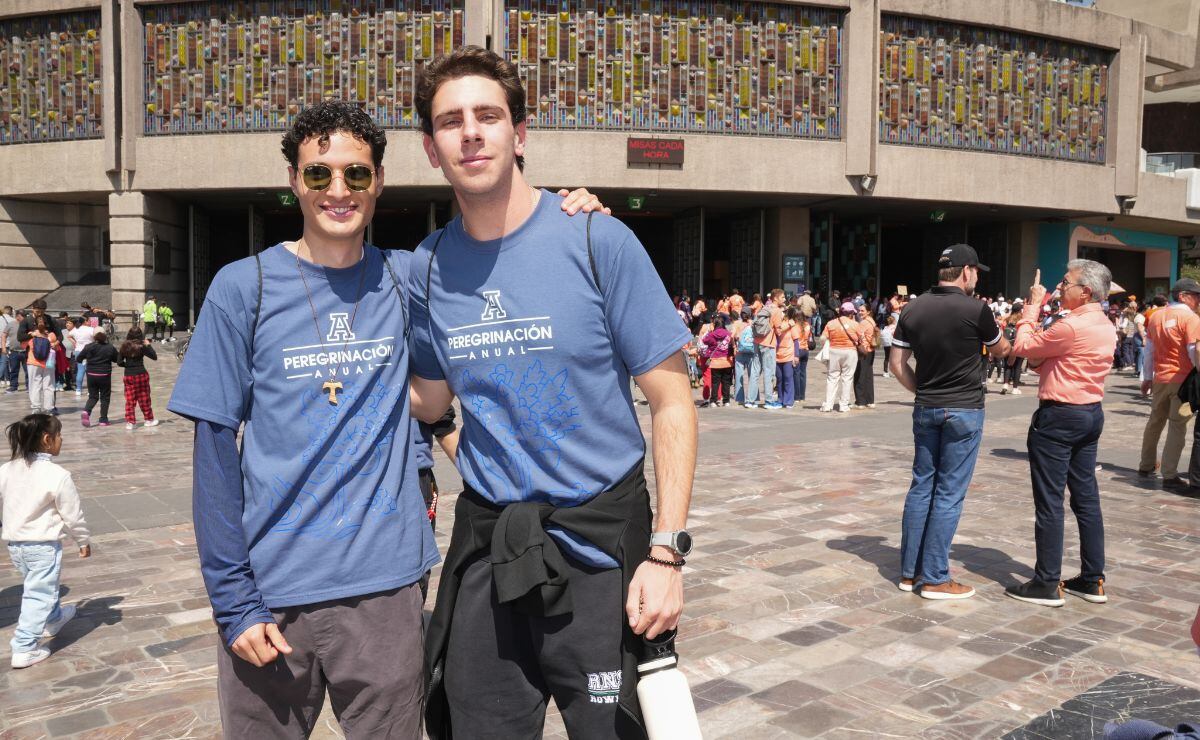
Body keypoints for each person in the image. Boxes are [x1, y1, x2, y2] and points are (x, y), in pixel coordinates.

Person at [166, 97, 605, 736]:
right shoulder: (244, 288)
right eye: (320, 174)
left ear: (378, 184)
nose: (337, 190)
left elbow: (505, 261)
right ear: (295, 181)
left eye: (356, 174)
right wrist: (233, 603)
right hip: (271, 595)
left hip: (387, 594)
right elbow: (213, 456)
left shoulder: (410, 278)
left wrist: (573, 218)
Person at [409, 47, 697, 739]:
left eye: (488, 115)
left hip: (604, 558)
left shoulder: (598, 238)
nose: (471, 132)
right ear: (430, 148)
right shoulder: (426, 269)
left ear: (521, 132)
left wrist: (667, 554)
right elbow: (428, 399)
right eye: (451, 121)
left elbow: (672, 401)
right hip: (490, 552)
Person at [889, 243, 1009, 600]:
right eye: (976, 273)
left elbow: (897, 364)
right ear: (967, 271)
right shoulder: (977, 310)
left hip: (927, 406)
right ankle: (936, 577)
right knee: (948, 493)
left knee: (921, 486)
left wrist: (922, 392)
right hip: (965, 409)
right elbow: (1002, 350)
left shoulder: (912, 308)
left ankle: (910, 573)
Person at [1006, 261, 1116, 607]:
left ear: (1085, 291)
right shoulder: (1103, 323)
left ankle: (1046, 581)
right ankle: (1092, 576)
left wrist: (1032, 307)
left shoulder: (1072, 326)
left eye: (1065, 284)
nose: (1058, 289)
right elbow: (1047, 357)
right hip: (1089, 411)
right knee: (1086, 497)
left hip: (1059, 415)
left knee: (1050, 501)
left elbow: (1022, 347)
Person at [1, 413, 91, 669]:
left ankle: (53, 619)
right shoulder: (57, 475)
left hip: (16, 546)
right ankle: (24, 647)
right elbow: (72, 514)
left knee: (42, 585)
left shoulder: (7, 469)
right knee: (38, 594)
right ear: (47, 439)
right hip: (42, 545)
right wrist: (83, 540)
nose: (62, 440)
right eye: (60, 435)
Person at [1137, 278, 1200, 491]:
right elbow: (1194, 351)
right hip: (1183, 381)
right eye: (1196, 296)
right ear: (1183, 296)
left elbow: (1149, 350)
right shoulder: (1191, 318)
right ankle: (1170, 474)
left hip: (1160, 379)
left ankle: (1146, 465)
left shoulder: (1155, 317)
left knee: (1154, 422)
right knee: (1177, 426)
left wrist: (1146, 377)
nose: (1198, 301)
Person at [820, 301, 861, 413]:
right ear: (851, 313)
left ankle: (828, 405)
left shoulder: (831, 323)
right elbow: (860, 339)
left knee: (832, 378)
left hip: (834, 351)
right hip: (850, 352)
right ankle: (843, 405)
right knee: (847, 378)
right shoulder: (855, 324)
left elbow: (823, 338)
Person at [750, 289, 786, 410]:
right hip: (768, 344)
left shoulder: (764, 308)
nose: (784, 300)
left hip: (757, 342)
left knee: (755, 371)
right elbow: (779, 331)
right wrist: (788, 323)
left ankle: (751, 401)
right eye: (782, 298)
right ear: (776, 298)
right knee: (769, 372)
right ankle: (769, 401)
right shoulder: (776, 311)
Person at [117, 327, 160, 430]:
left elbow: (119, 362)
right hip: (141, 374)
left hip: (129, 375)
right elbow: (154, 357)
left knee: (130, 400)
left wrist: (127, 365)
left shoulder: (124, 346)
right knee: (144, 398)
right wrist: (148, 345)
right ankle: (148, 420)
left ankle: (130, 422)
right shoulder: (142, 346)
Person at [76, 331, 118, 428]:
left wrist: (86, 359)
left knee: (93, 396)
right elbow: (116, 359)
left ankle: (86, 411)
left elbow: (79, 359)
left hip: (91, 374)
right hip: (104, 375)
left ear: (95, 339)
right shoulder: (110, 347)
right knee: (105, 397)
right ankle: (103, 419)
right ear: (105, 339)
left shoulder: (88, 347)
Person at [24, 316, 59, 415]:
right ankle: (49, 408)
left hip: (33, 362)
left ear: (35, 324)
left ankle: (36, 408)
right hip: (49, 363)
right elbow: (57, 348)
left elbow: (23, 345)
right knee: (48, 385)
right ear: (47, 324)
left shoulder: (31, 334)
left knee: (35, 385)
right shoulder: (51, 335)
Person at [702, 315, 734, 407]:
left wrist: (710, 331)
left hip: (715, 362)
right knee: (726, 382)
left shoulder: (712, 334)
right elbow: (732, 344)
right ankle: (726, 401)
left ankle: (713, 401)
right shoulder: (728, 333)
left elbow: (704, 340)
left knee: (715, 382)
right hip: (727, 361)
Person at [852, 303, 877, 409]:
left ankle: (860, 401)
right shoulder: (872, 321)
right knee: (868, 376)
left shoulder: (863, 323)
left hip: (863, 351)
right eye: (859, 310)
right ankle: (870, 400)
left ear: (868, 311)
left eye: (862, 311)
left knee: (859, 375)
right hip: (871, 350)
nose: (860, 312)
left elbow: (857, 336)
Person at [773, 305, 798, 409]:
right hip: (777, 355)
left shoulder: (793, 326)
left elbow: (796, 341)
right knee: (779, 379)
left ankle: (788, 401)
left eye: (783, 312)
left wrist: (796, 356)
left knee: (788, 378)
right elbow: (777, 332)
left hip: (788, 355)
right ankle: (781, 399)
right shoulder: (778, 325)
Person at [67, 317, 96, 397]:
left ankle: (78, 389)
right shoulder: (91, 329)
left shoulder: (76, 330)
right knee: (89, 371)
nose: (90, 322)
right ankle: (90, 390)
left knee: (80, 370)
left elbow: (68, 336)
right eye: (89, 320)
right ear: (85, 321)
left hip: (78, 351)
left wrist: (75, 343)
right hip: (89, 351)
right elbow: (96, 338)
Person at [731, 307, 754, 405]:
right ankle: (753, 397)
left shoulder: (736, 323)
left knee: (739, 376)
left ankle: (739, 398)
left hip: (740, 352)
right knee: (752, 376)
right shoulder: (752, 323)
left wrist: (734, 346)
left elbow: (732, 336)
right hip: (751, 352)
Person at [793, 312, 812, 406]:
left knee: (796, 373)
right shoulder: (807, 325)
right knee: (803, 374)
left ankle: (796, 396)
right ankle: (802, 396)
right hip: (806, 350)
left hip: (798, 350)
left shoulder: (795, 326)